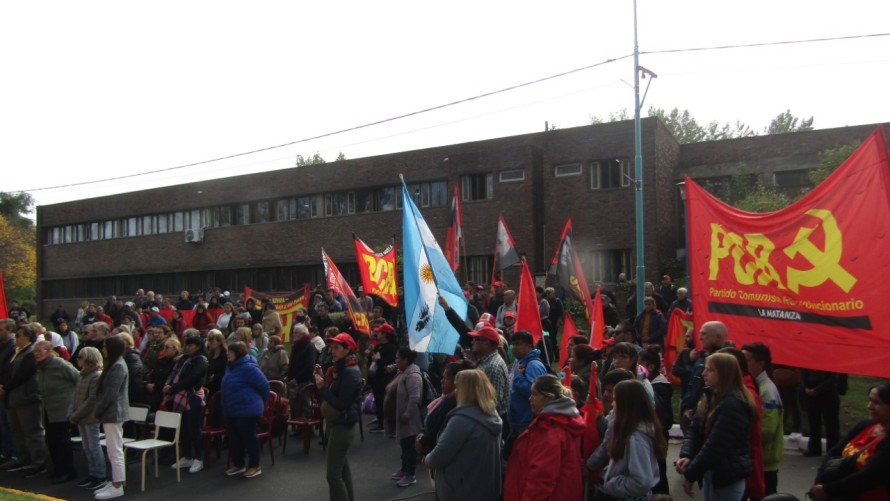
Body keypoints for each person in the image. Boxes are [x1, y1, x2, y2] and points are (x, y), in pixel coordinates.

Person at [675, 353, 756, 501]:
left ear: (724, 374)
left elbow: (716, 445)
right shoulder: (710, 396)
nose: (704, 373)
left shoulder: (733, 404)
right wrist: (686, 455)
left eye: (710, 370)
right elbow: (694, 430)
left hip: (726, 475)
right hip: (711, 472)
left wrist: (691, 473)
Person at [503, 374, 586, 501]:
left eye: (535, 394)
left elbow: (542, 479)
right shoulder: (561, 420)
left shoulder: (549, 429)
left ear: (549, 398)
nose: (530, 399)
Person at [424, 369, 503, 501]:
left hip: (460, 488)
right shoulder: (491, 413)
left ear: (465, 390)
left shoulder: (462, 420)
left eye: (458, 386)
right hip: (484, 487)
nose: (456, 391)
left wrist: (427, 458)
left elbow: (437, 457)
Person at [808, 381, 889, 501]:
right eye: (870, 400)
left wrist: (828, 490)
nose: (869, 406)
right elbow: (833, 453)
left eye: (876, 403)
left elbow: (869, 476)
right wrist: (821, 480)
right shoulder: (865, 426)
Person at [314, 332, 363, 501]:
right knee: (342, 470)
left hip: (343, 424)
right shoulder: (343, 368)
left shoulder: (349, 371)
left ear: (347, 349)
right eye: (332, 347)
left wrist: (322, 388)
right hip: (338, 423)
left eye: (336, 348)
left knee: (333, 476)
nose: (332, 351)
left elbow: (341, 403)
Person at [598, 380, 664, 501]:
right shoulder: (630, 431)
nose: (613, 404)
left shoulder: (636, 437)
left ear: (626, 404)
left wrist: (613, 485)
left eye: (615, 400)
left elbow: (642, 481)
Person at [0, 323, 46, 477]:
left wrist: (5, 387)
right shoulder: (18, 351)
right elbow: (8, 371)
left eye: (19, 335)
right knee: (17, 430)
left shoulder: (31, 352)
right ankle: (23, 458)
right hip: (14, 397)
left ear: (28, 337)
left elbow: (23, 374)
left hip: (27, 398)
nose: (16, 338)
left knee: (32, 431)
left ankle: (38, 462)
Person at [34, 340, 80, 483]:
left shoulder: (60, 364)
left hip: (62, 409)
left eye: (39, 351)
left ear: (49, 351)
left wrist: (74, 402)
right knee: (51, 440)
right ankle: (58, 469)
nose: (36, 354)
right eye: (35, 352)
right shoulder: (40, 367)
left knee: (62, 441)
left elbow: (78, 378)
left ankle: (68, 471)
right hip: (48, 409)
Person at [221, 341, 269, 479]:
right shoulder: (230, 367)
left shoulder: (248, 368)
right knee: (234, 438)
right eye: (228, 351)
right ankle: (239, 464)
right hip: (232, 409)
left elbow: (264, 386)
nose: (228, 354)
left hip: (247, 409)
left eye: (231, 351)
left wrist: (258, 403)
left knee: (249, 438)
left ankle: (255, 465)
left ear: (238, 353)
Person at [743, 342, 785, 496]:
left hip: (765, 462)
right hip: (758, 459)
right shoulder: (756, 386)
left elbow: (766, 430)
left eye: (746, 361)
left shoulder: (767, 390)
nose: (742, 364)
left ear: (760, 364)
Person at [93, 335, 130, 500]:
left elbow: (110, 394)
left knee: (115, 450)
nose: (103, 350)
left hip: (113, 412)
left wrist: (97, 412)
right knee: (112, 448)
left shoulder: (118, 366)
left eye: (105, 347)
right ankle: (115, 480)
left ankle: (118, 484)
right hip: (111, 412)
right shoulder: (115, 365)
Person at [165, 335, 208, 474]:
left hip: (192, 396)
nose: (188, 347)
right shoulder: (184, 359)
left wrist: (173, 388)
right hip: (180, 396)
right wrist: (168, 384)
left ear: (199, 346)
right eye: (187, 345)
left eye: (192, 345)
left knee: (194, 427)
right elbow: (173, 373)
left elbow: (193, 378)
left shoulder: (201, 360)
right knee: (183, 428)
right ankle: (187, 456)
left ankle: (198, 458)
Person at [415, 360, 476, 456]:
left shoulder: (454, 403)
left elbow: (438, 428)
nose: (441, 381)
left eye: (445, 378)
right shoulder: (445, 398)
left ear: (457, 382)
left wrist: (422, 440)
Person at [506, 330, 548, 458]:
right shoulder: (519, 362)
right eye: (513, 344)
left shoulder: (533, 365)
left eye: (518, 344)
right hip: (517, 418)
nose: (514, 348)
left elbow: (532, 390)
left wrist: (518, 377)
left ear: (530, 346)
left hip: (525, 420)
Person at [69, 346, 106, 490]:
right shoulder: (82, 374)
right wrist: (71, 413)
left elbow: (92, 400)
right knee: (86, 446)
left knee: (93, 446)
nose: (77, 360)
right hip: (80, 417)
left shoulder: (96, 376)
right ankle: (92, 473)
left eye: (80, 357)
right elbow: (75, 395)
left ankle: (100, 475)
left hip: (89, 417)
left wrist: (76, 414)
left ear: (89, 359)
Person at [392, 348, 423, 487]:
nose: (396, 360)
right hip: (404, 418)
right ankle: (404, 470)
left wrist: (407, 414)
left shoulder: (412, 375)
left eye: (398, 358)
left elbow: (414, 397)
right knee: (404, 445)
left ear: (406, 360)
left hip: (410, 419)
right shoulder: (405, 372)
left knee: (410, 447)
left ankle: (410, 475)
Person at [368, 325, 397, 433]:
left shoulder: (391, 347)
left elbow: (389, 363)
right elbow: (374, 361)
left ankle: (385, 424)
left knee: (383, 401)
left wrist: (378, 360)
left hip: (385, 378)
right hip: (376, 377)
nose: (377, 334)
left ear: (385, 334)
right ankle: (380, 420)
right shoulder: (378, 346)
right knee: (378, 401)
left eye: (380, 332)